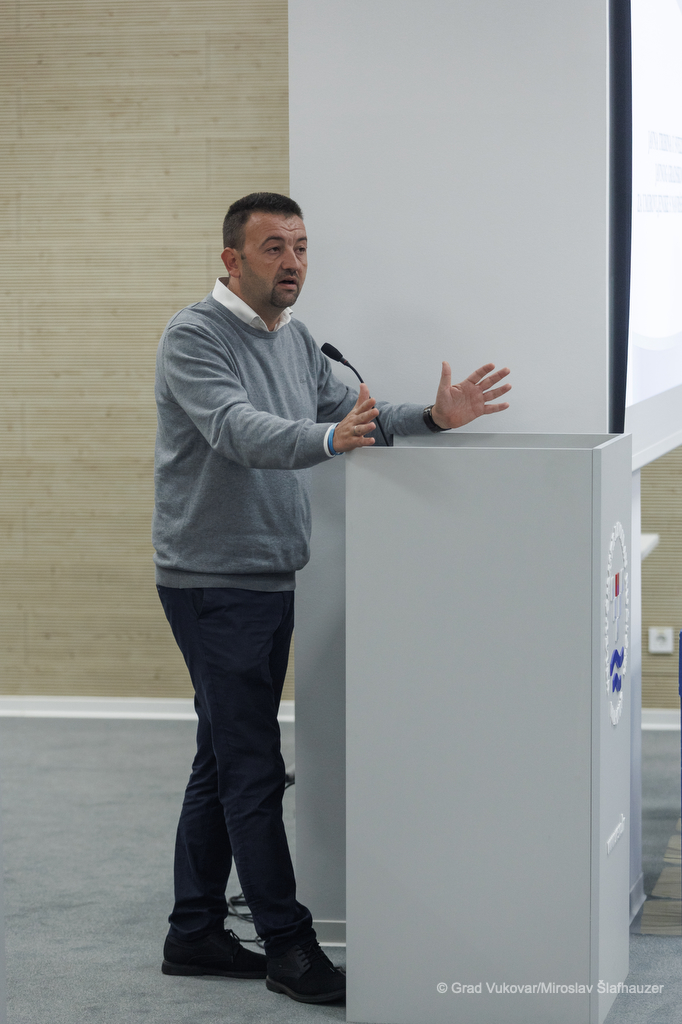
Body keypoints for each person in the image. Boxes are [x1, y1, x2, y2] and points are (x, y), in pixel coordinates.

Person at [152, 192, 510, 1004]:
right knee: (251, 768)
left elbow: (353, 417)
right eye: (273, 247)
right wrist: (326, 438)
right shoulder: (195, 336)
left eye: (302, 246)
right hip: (212, 582)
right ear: (231, 260)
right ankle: (289, 948)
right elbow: (237, 430)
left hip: (267, 573)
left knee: (223, 757)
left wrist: (433, 417)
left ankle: (194, 931)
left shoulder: (296, 338)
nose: (293, 262)